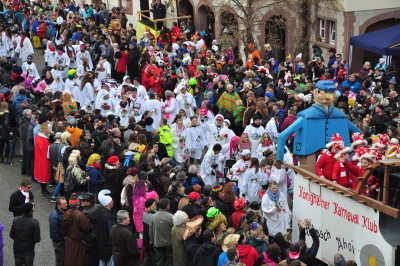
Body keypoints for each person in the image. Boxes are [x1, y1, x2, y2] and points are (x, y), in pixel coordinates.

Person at [63, 194, 93, 266]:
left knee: (69, 260)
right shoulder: (80, 215)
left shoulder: (66, 214)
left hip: (69, 242)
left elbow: (64, 228)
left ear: (69, 204)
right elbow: (88, 228)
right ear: (78, 204)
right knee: (78, 261)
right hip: (78, 244)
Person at [94, 189, 117, 266]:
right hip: (108, 246)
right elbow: (113, 232)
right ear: (108, 203)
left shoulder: (99, 214)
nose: (113, 202)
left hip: (100, 244)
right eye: (111, 201)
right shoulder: (109, 217)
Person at [149, 198, 174, 266]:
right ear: (167, 206)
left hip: (157, 242)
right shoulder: (171, 217)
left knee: (159, 262)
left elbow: (151, 230)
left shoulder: (153, 217)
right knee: (169, 261)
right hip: (169, 243)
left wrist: (152, 241)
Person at [49, 196, 68, 266]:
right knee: (59, 259)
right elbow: (53, 232)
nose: (66, 205)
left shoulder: (64, 211)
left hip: (63, 240)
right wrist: (59, 241)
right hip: (59, 242)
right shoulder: (54, 216)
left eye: (66, 203)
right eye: (64, 204)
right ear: (58, 205)